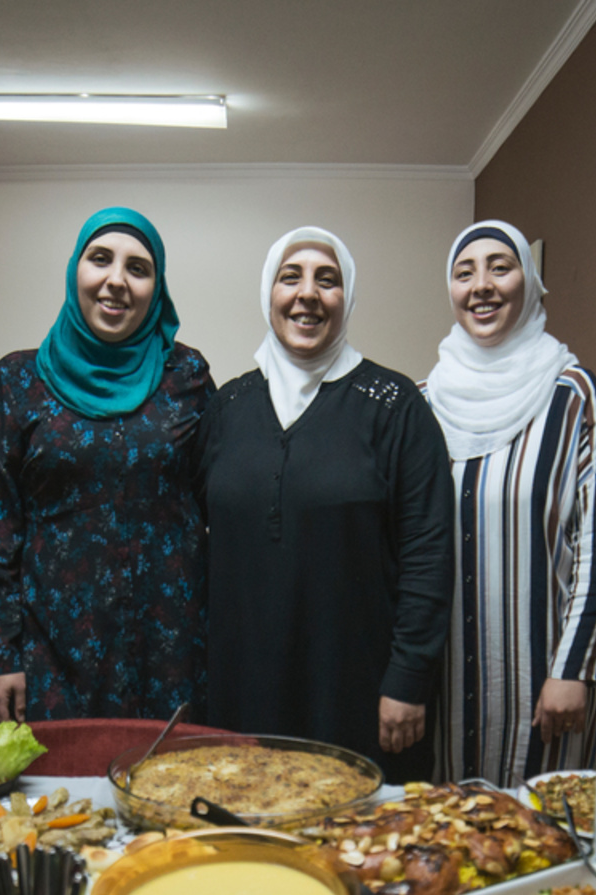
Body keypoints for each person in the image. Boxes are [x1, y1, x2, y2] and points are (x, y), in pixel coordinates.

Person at [201, 226, 453, 782]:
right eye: (290, 277)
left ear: (348, 298)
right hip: (241, 688)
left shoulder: (395, 407)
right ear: (269, 292)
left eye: (328, 279)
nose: (308, 293)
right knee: (250, 841)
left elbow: (429, 554)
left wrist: (408, 680)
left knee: (356, 854)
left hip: (356, 692)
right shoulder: (226, 407)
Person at [0, 207, 212, 722]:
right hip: (56, 647)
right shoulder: (15, 383)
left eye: (138, 268)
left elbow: (220, 497)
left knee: (173, 787)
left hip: (172, 643)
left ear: (157, 287)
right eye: (100, 259)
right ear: (74, 271)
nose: (116, 281)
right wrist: (2, 655)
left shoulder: (187, 375)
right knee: (69, 793)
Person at [424, 220, 596, 787]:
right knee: (450, 836)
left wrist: (574, 669)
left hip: (541, 681)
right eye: (464, 273)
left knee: (540, 836)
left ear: (530, 281)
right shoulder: (425, 403)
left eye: (500, 267)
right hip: (443, 684)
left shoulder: (576, 399)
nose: (481, 286)